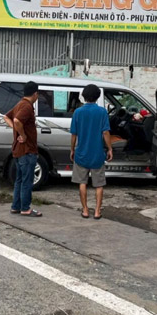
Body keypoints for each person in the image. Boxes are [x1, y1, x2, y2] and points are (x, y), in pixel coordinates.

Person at [70, 84, 113, 219]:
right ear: (97, 96)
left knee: (82, 183)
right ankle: (97, 211)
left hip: (81, 153)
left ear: (84, 96)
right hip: (97, 154)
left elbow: (74, 134)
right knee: (99, 184)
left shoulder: (78, 112)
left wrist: (72, 149)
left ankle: (85, 210)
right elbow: (105, 132)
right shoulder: (102, 112)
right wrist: (110, 148)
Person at [3, 81, 42, 217]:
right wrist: (23, 135)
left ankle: (16, 206)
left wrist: (17, 130)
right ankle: (25, 208)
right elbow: (17, 121)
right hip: (27, 150)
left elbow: (7, 117)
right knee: (27, 180)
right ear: (35, 94)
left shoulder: (20, 104)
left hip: (19, 150)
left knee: (19, 179)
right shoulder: (26, 106)